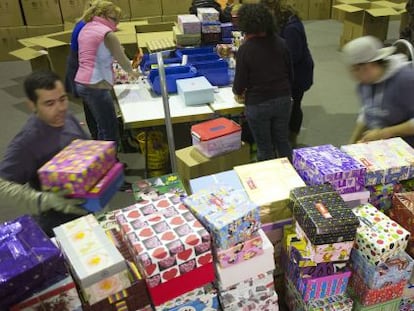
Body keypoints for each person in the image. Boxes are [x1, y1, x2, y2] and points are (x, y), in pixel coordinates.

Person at [0, 70, 89, 236]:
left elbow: (86, 150)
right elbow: (2, 186)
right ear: (32, 105)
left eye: (62, 99)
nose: (60, 108)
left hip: (85, 209)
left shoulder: (67, 118)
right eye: (49, 103)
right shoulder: (27, 142)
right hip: (58, 225)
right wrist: (45, 200)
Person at [232, 3, 293, 161]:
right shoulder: (281, 43)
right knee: (282, 141)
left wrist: (238, 93)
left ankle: (270, 181)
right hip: (283, 99)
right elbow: (290, 74)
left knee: (265, 147)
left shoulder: (246, 49)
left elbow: (239, 85)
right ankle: (291, 176)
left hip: (258, 104)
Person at [75, 1, 138, 145]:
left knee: (100, 126)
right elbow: (124, 62)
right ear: (102, 15)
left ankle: (100, 160)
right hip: (96, 85)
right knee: (109, 130)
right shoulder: (107, 34)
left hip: (83, 83)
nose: (116, 25)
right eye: (114, 19)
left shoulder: (86, 27)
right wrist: (134, 74)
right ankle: (108, 164)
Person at [343, 36, 414, 146]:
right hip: (381, 146)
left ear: (368, 66)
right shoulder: (365, 83)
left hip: (406, 148)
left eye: (355, 70)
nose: (353, 75)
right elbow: (366, 113)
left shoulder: (405, 80)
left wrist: (383, 133)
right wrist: (351, 143)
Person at [262, 0, 314, 147]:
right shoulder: (280, 22)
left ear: (274, 8)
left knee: (294, 104)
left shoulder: (291, 27)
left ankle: (292, 138)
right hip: (288, 71)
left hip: (297, 74)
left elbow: (292, 57)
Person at [65, 0, 101, 140]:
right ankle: (99, 140)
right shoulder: (87, 28)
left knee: (90, 107)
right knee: (94, 108)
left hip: (80, 66)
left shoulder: (84, 22)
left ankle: (96, 136)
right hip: (83, 70)